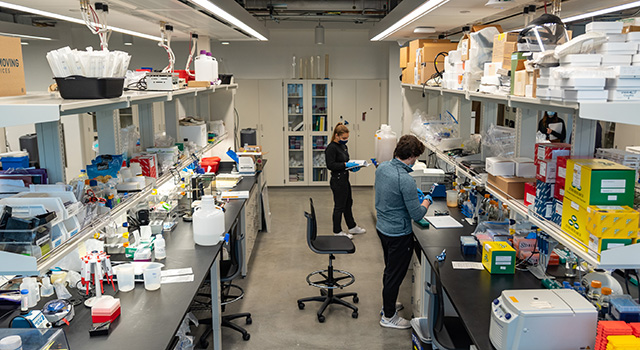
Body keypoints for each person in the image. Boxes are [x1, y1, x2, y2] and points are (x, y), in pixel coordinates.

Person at [374, 134, 432, 329]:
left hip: (383, 228)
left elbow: (390, 194)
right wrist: (426, 201)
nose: (416, 161)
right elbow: (416, 215)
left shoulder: (382, 167)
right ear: (412, 156)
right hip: (398, 234)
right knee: (395, 275)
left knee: (390, 270)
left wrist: (409, 195)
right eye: (416, 157)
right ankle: (389, 317)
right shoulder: (405, 180)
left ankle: (387, 305)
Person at [325, 123, 366, 239]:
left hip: (345, 178)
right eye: (343, 138)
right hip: (337, 180)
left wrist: (352, 167)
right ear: (336, 136)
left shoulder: (343, 147)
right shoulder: (331, 148)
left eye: (347, 138)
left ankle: (352, 226)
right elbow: (330, 165)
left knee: (348, 203)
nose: (346, 140)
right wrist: (345, 164)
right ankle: (337, 231)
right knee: (339, 206)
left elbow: (346, 161)